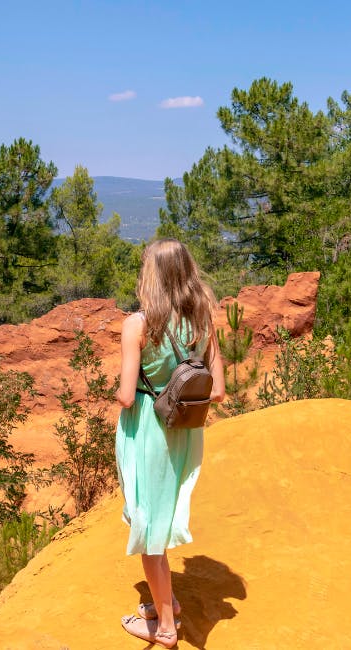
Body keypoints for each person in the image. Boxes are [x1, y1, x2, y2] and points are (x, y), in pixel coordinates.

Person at [115, 238, 225, 648]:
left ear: (152, 276)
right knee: (161, 516)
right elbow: (218, 391)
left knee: (150, 531)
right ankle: (168, 601)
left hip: (148, 431)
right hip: (185, 432)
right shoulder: (203, 323)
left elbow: (127, 396)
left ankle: (164, 627)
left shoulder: (138, 325)